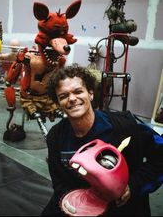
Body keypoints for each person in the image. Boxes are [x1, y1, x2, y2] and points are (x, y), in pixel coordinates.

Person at [41, 63, 163, 216]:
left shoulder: (125, 126)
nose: (72, 99)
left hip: (123, 207)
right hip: (82, 205)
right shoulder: (56, 136)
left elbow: (160, 156)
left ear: (91, 94)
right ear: (58, 103)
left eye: (78, 91)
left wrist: (132, 185)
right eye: (63, 96)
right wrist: (73, 201)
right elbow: (59, 182)